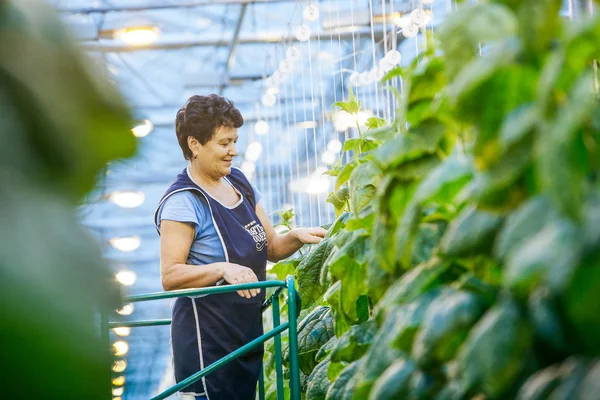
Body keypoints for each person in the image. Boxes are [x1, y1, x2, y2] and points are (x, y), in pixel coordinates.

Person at [154, 94, 327, 400]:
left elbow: (271, 246)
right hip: (206, 348)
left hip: (245, 336)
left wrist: (296, 236)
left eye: (234, 140)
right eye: (224, 143)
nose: (234, 150)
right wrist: (223, 268)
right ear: (194, 144)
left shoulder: (240, 184)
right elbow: (170, 276)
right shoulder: (184, 201)